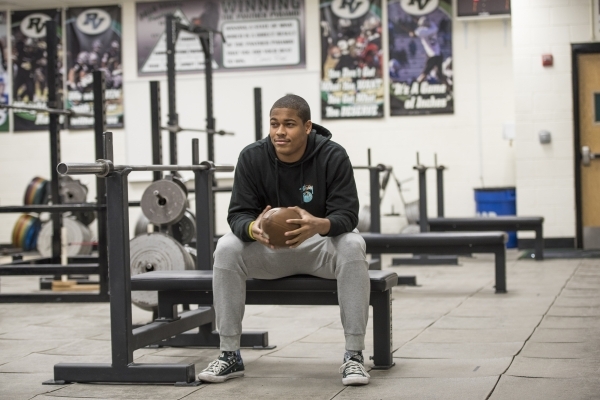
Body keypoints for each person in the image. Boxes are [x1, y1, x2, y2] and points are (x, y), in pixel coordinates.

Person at [197, 94, 371, 386]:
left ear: (307, 126)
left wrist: (320, 224)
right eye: (274, 124)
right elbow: (237, 214)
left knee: (353, 244)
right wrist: (254, 229)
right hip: (270, 251)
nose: (280, 131)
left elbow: (348, 215)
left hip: (319, 249)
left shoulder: (333, 155)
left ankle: (353, 356)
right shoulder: (252, 157)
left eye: (289, 124)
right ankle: (229, 354)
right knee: (226, 247)